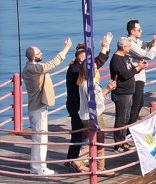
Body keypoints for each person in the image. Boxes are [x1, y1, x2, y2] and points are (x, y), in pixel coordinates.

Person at [22, 37, 72, 174]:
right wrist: (66, 49)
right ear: (34, 57)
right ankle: (39, 168)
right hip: (38, 108)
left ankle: (36, 166)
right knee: (41, 138)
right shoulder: (34, 68)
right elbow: (51, 64)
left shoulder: (28, 68)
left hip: (35, 107)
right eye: (39, 53)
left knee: (38, 138)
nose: (41, 54)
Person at [65, 36, 111, 173]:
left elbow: (96, 63)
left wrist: (105, 48)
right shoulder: (76, 71)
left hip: (81, 108)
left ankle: (80, 161)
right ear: (81, 55)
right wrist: (107, 90)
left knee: (86, 136)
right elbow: (95, 98)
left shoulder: (81, 70)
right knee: (83, 135)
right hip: (80, 108)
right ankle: (74, 160)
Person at [124, 19, 156, 123]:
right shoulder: (130, 44)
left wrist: (154, 40)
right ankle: (130, 128)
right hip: (134, 77)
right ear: (132, 31)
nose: (141, 31)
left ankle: (131, 126)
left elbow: (145, 45)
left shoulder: (137, 42)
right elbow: (149, 55)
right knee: (136, 103)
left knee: (139, 102)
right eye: (139, 29)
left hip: (140, 76)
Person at [108, 37, 144, 146]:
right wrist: (137, 68)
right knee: (121, 118)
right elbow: (126, 74)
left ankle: (123, 140)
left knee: (127, 117)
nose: (130, 48)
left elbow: (132, 70)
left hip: (129, 92)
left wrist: (140, 66)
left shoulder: (125, 57)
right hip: (121, 93)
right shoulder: (116, 59)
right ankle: (118, 143)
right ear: (123, 47)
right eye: (129, 46)